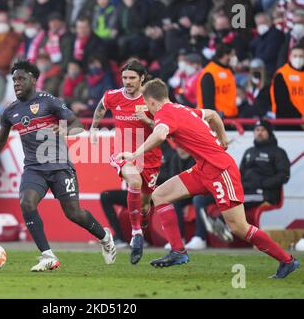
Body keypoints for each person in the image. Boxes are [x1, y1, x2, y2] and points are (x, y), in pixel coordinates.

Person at [118, 78, 299, 279]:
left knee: (238, 227)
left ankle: (287, 261)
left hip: (220, 170)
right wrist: (222, 138)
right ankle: (178, 251)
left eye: (145, 103)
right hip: (203, 169)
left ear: (151, 101)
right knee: (160, 195)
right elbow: (212, 114)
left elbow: (160, 135)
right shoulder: (181, 109)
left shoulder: (164, 114)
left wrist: (135, 154)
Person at [0, 60, 116, 272]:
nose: (17, 83)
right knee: (27, 203)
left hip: (59, 165)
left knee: (74, 213)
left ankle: (105, 236)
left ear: (33, 80)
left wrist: (66, 131)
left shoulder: (49, 101)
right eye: (14, 80)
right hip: (34, 168)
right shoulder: (10, 111)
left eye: (21, 79)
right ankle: (47, 255)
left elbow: (76, 124)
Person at [90, 59, 162, 265]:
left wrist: (146, 120)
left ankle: (142, 223)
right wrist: (94, 127)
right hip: (122, 152)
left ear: (142, 78)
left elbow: (163, 126)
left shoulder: (152, 99)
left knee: (145, 204)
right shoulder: (113, 96)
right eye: (125, 78)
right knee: (134, 181)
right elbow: (101, 107)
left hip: (150, 156)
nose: (128, 82)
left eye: (132, 78)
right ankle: (136, 234)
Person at [240, 120, 290, 208]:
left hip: (266, 194)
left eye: (263, 130)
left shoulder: (278, 152)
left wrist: (263, 184)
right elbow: (239, 174)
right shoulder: (249, 151)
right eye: (257, 130)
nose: (259, 132)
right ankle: (216, 221)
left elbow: (284, 175)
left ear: (269, 133)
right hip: (247, 192)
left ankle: (219, 221)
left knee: (232, 203)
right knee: (211, 198)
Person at [197, 43, 238, 118]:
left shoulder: (228, 70)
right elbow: (208, 102)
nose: (234, 58)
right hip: (218, 119)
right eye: (232, 55)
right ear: (225, 55)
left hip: (231, 117)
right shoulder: (209, 73)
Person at [270, 44, 304, 127]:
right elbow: (282, 101)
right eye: (295, 56)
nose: (298, 59)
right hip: (287, 121)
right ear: (290, 57)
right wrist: (299, 118)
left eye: (301, 56)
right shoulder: (282, 74)